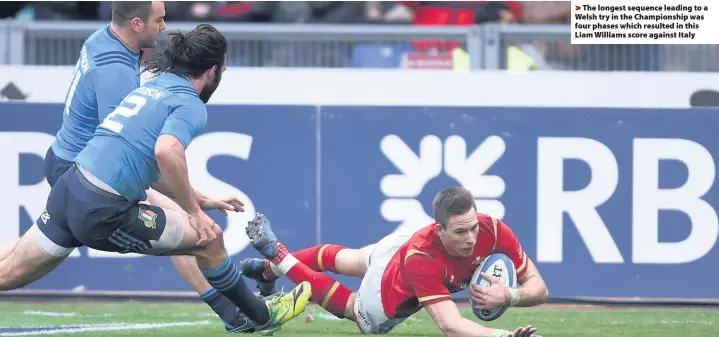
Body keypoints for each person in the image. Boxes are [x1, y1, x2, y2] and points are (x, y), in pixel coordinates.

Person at [0, 23, 311, 335]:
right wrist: (193, 212)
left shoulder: (153, 87)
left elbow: (147, 159)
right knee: (209, 239)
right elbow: (166, 151)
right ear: (215, 70)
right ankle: (260, 315)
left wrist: (198, 199)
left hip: (69, 189)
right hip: (102, 210)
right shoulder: (190, 104)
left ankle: (237, 316)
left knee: (8, 274)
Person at [242, 186, 549, 337]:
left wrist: (511, 295)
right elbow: (450, 325)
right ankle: (278, 256)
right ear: (439, 230)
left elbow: (540, 288)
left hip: (401, 246)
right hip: (393, 286)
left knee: (352, 258)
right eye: (460, 232)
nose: (470, 238)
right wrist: (504, 336)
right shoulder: (424, 260)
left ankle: (268, 272)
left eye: (473, 227)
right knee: (354, 309)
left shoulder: (494, 230)